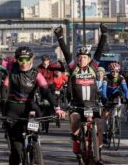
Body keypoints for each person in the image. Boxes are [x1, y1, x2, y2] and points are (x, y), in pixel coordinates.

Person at [0, 30, 65, 164]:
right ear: (17, 59)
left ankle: (34, 144)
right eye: (20, 59)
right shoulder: (10, 67)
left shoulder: (37, 74)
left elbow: (46, 92)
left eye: (26, 59)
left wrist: (57, 108)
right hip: (13, 108)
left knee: (35, 130)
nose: (23, 62)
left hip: (30, 107)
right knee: (16, 152)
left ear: (31, 59)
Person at [54, 24, 107, 164]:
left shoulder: (93, 68)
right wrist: (60, 37)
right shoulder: (73, 69)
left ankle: (98, 154)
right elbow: (66, 54)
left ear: (89, 59)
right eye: (80, 57)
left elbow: (99, 51)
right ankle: (77, 143)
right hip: (77, 106)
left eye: (84, 57)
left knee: (100, 124)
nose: (81, 59)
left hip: (93, 105)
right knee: (76, 119)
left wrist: (104, 34)